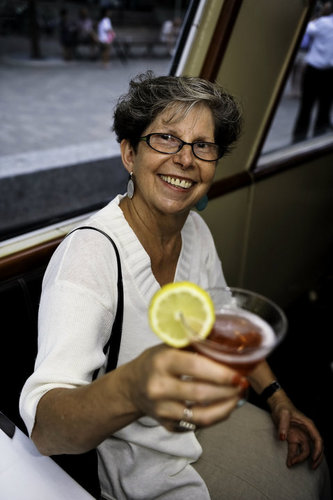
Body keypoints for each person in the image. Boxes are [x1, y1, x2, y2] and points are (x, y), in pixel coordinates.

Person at [20, 72, 331, 500]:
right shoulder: (89, 256)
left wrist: (277, 397)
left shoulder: (196, 230)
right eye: (166, 138)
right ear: (129, 153)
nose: (186, 159)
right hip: (141, 460)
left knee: (314, 470)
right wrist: (134, 387)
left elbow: (226, 322)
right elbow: (46, 430)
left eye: (202, 145)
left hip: (201, 420)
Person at [292, 2, 333, 142]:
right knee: (325, 106)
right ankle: (319, 134)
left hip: (314, 69)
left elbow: (307, 29)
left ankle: (299, 136)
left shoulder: (322, 22)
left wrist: (319, 15)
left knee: (306, 106)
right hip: (330, 72)